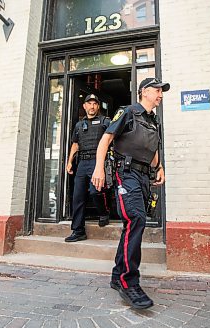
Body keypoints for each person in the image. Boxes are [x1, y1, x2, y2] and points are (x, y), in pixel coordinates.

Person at [91, 77, 169, 309]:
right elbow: (106, 140)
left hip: (144, 176)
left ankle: (118, 276)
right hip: (125, 174)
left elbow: (152, 149)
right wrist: (98, 168)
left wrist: (159, 167)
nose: (160, 94)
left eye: (161, 91)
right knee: (135, 218)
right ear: (144, 92)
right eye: (157, 90)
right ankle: (129, 282)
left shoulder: (154, 121)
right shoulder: (128, 112)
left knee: (133, 224)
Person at [64, 94, 111, 242]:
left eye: (94, 104)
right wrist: (70, 161)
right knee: (77, 197)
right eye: (89, 103)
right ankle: (78, 231)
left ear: (98, 106)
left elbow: (113, 138)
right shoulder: (79, 125)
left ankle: (104, 213)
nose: (92, 106)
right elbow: (75, 144)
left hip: (97, 162)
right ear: (84, 106)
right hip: (82, 164)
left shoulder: (105, 122)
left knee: (95, 191)